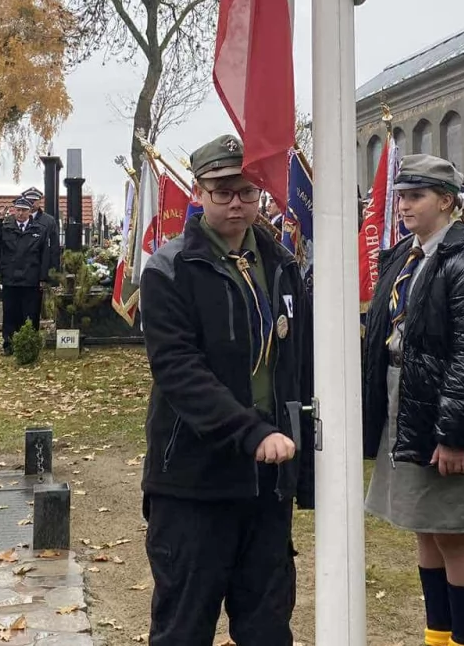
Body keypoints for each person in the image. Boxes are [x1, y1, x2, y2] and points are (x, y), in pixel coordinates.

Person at [138, 134, 314, 646]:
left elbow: (296, 364)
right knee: (184, 629)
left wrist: (298, 466)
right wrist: (250, 431)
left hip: (266, 485)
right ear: (199, 192)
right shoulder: (170, 270)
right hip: (195, 483)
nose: (236, 202)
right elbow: (179, 372)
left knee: (266, 627)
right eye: (222, 191)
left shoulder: (281, 265)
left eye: (246, 190)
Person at [361, 154, 464, 646]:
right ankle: (437, 637)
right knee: (426, 528)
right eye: (401, 195)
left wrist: (456, 435)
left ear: (447, 201)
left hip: (445, 407)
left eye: (415, 195)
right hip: (409, 401)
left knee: (455, 535)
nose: (403, 205)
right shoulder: (409, 252)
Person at [0, 197, 50, 354]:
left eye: (24, 210)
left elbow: (44, 255)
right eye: (17, 210)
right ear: (13, 210)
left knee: (31, 313)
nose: (20, 213)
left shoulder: (39, 229)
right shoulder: (5, 227)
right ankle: (9, 343)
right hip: (10, 278)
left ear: (29, 211)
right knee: (10, 313)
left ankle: (30, 343)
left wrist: (43, 278)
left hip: (30, 278)